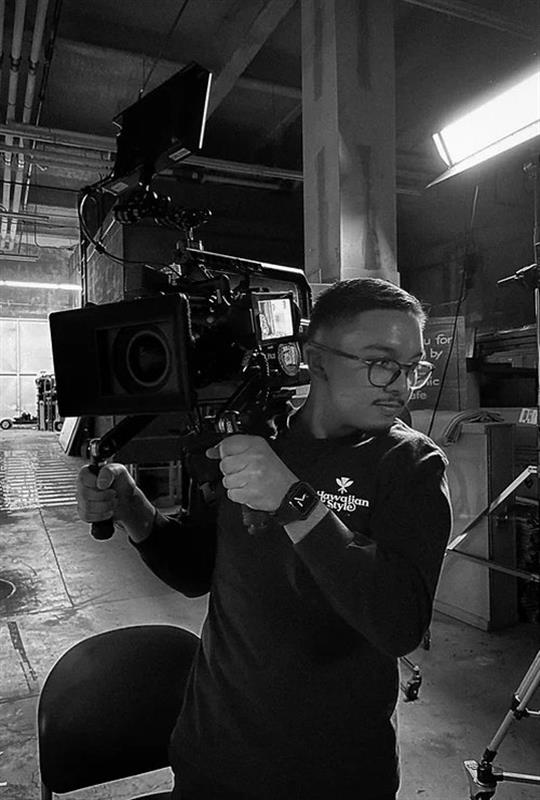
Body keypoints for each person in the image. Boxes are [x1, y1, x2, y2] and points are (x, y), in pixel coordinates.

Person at [77, 277, 452, 800]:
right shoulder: (249, 439)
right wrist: (131, 507)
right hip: (212, 755)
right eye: (381, 362)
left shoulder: (411, 465)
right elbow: (195, 570)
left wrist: (295, 503)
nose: (401, 386)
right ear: (315, 359)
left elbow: (399, 624)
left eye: (412, 367)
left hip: (335, 774)